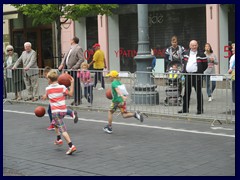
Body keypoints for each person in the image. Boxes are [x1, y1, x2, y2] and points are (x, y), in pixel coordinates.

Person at [42, 69, 77, 155]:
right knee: (54, 123)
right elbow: (71, 94)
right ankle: (58, 139)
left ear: (49, 80)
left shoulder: (48, 89)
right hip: (63, 111)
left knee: (63, 130)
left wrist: (44, 97)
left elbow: (44, 97)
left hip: (56, 112)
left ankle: (71, 146)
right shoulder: (62, 87)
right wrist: (72, 83)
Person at [43, 67, 78, 131]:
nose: (45, 77)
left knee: (54, 111)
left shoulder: (52, 86)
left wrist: (46, 95)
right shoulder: (57, 85)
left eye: (46, 75)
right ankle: (71, 113)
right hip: (57, 100)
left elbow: (51, 91)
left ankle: (53, 124)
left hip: (55, 100)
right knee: (60, 110)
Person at [178, 40, 208, 115]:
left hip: (197, 76)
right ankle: (185, 109)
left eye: (195, 45)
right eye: (192, 45)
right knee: (186, 93)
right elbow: (183, 63)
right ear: (190, 46)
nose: (194, 47)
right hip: (187, 75)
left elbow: (205, 65)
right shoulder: (185, 53)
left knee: (198, 93)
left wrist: (199, 71)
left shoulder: (201, 54)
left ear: (197, 45)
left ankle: (200, 110)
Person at [58, 37, 84, 106]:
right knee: (72, 85)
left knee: (76, 85)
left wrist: (75, 67)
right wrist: (62, 64)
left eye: (71, 39)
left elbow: (81, 59)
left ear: (73, 41)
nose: (69, 40)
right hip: (68, 69)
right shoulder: (70, 48)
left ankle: (78, 99)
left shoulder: (78, 48)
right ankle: (75, 99)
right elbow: (65, 57)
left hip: (74, 70)